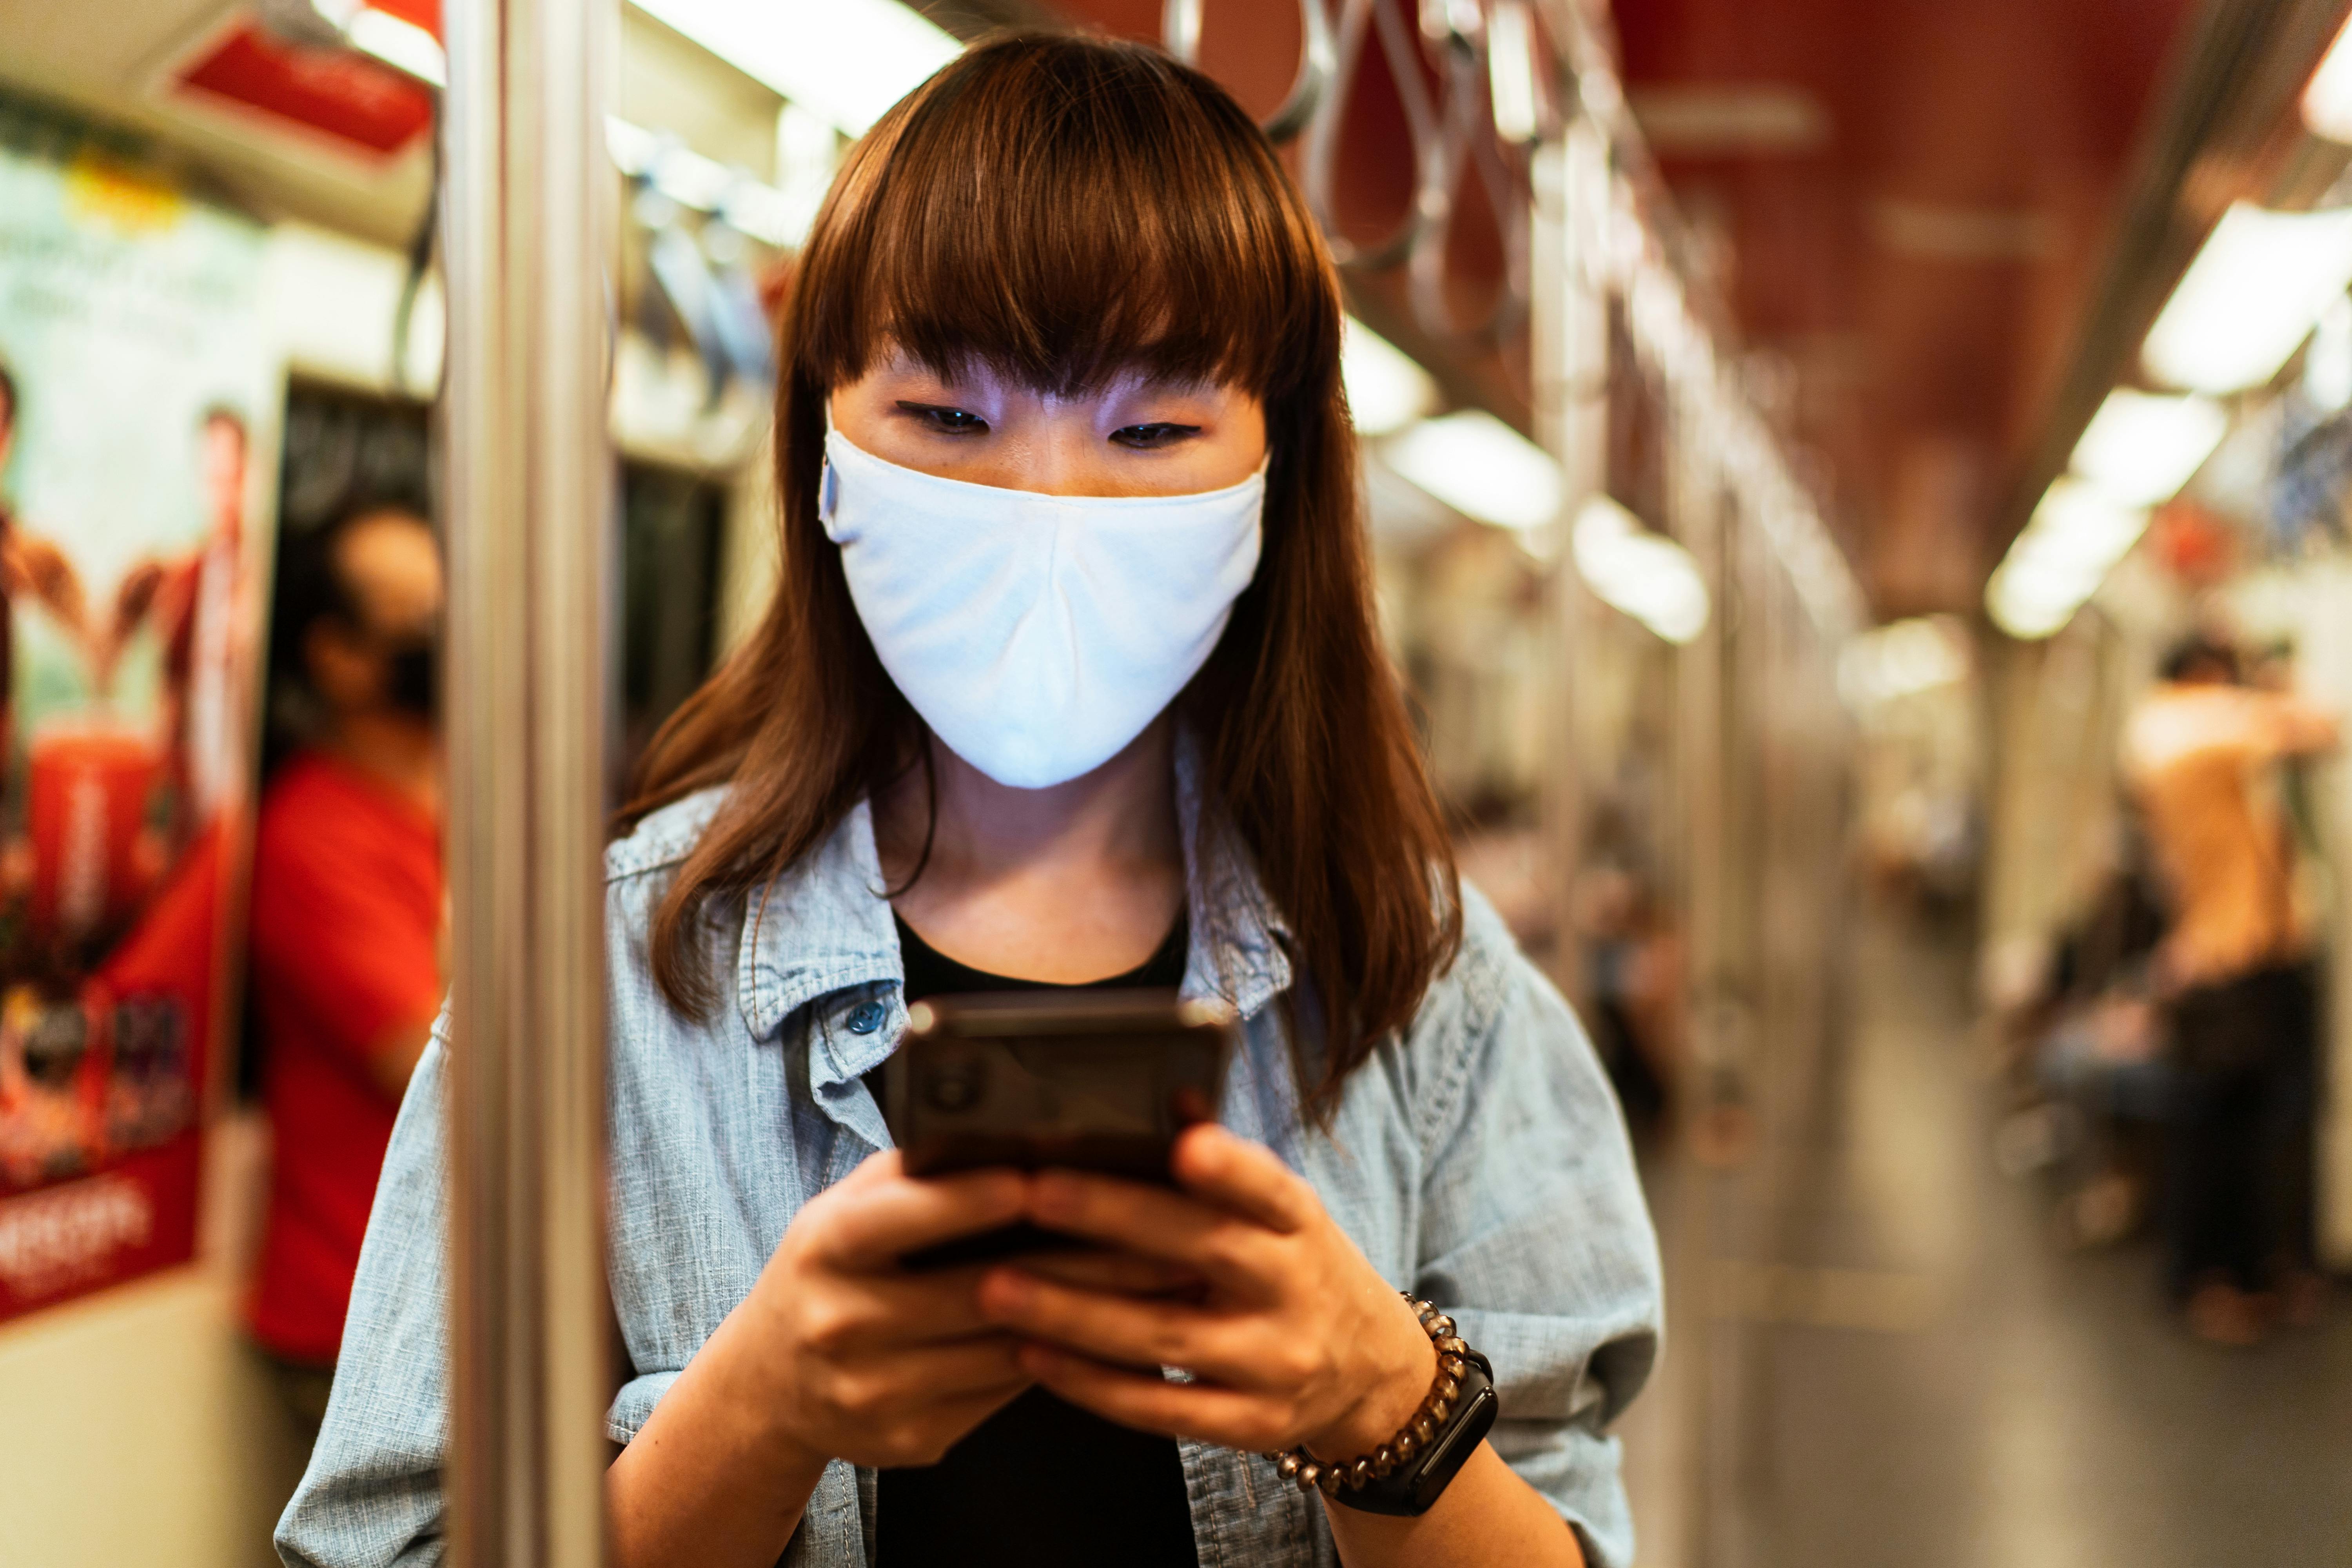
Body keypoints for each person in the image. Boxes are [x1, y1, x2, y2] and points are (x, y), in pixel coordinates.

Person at [281, 35, 1659, 1568]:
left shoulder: (1428, 995)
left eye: (1150, 432)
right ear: (821, 452)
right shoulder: (595, 988)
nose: (1044, 509)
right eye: (946, 420)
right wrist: (758, 1414)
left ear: (1277, 476)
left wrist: (1384, 1403)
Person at [245, 506, 445, 1429]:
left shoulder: (482, 802)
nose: (447, 636)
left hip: (461, 1320)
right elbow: (438, 1065)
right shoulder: (311, 835)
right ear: (337, 655)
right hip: (359, 1333)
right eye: (416, 618)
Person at [2123, 634, 2337, 1345]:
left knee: (2246, 1126)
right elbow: (2322, 725)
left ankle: (2255, 1271)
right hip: (2228, 954)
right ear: (2206, 677)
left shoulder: (2168, 732)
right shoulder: (2183, 726)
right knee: (2220, 1132)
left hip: (2244, 950)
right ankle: (2211, 1280)